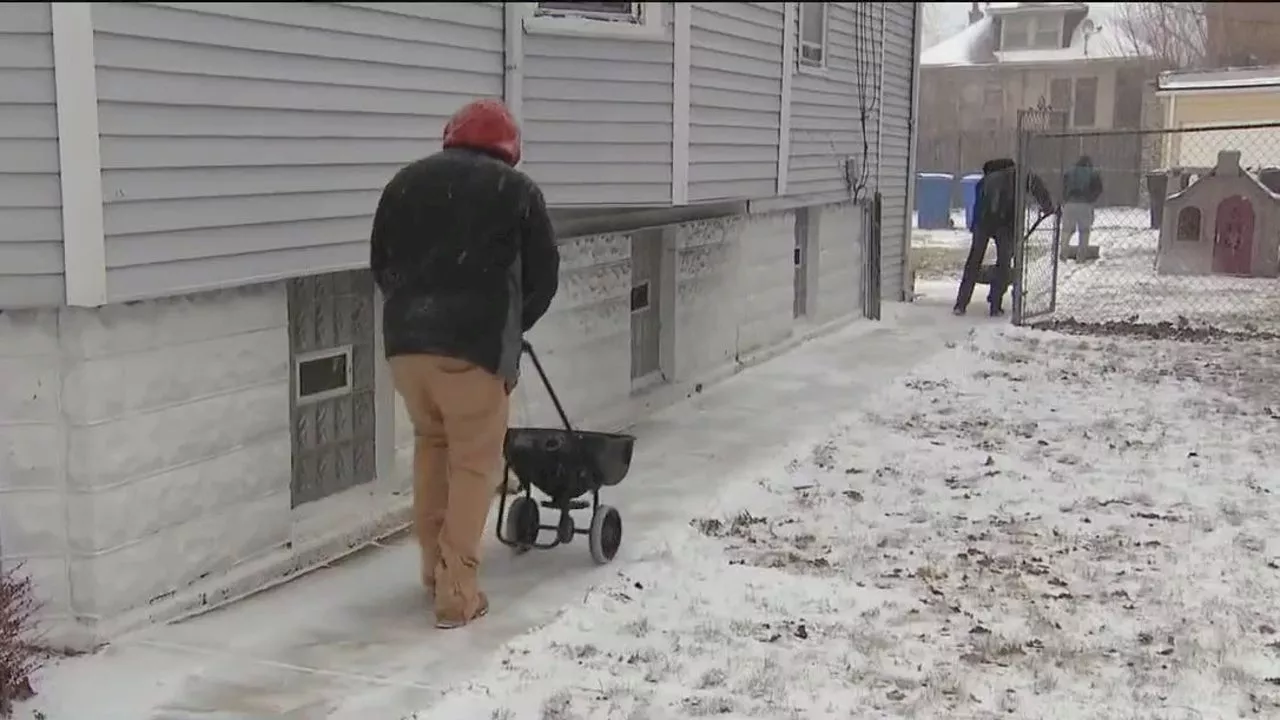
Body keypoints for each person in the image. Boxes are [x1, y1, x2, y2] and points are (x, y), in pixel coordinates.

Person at [370, 98, 560, 629]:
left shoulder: (404, 183)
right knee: (474, 464)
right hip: (473, 350)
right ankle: (457, 591)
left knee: (432, 449)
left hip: (407, 347)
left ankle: (433, 571)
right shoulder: (516, 191)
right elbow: (543, 277)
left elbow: (380, 263)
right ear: (509, 148)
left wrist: (415, 314)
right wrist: (508, 323)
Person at [953, 158, 1055, 317]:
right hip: (1006, 224)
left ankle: (961, 304)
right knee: (1004, 262)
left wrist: (976, 228)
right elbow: (1038, 187)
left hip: (984, 223)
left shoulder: (983, 182)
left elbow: (977, 207)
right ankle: (995, 305)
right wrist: (1048, 206)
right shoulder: (1018, 174)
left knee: (974, 261)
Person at [1060, 155, 1103, 261]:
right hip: (1085, 204)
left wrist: (1066, 199)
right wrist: (1091, 199)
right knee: (1084, 232)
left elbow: (1064, 187)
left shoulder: (1069, 172)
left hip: (1069, 204)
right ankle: (1081, 256)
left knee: (1067, 230)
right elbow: (1098, 189)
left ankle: (1063, 253)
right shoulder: (1093, 173)